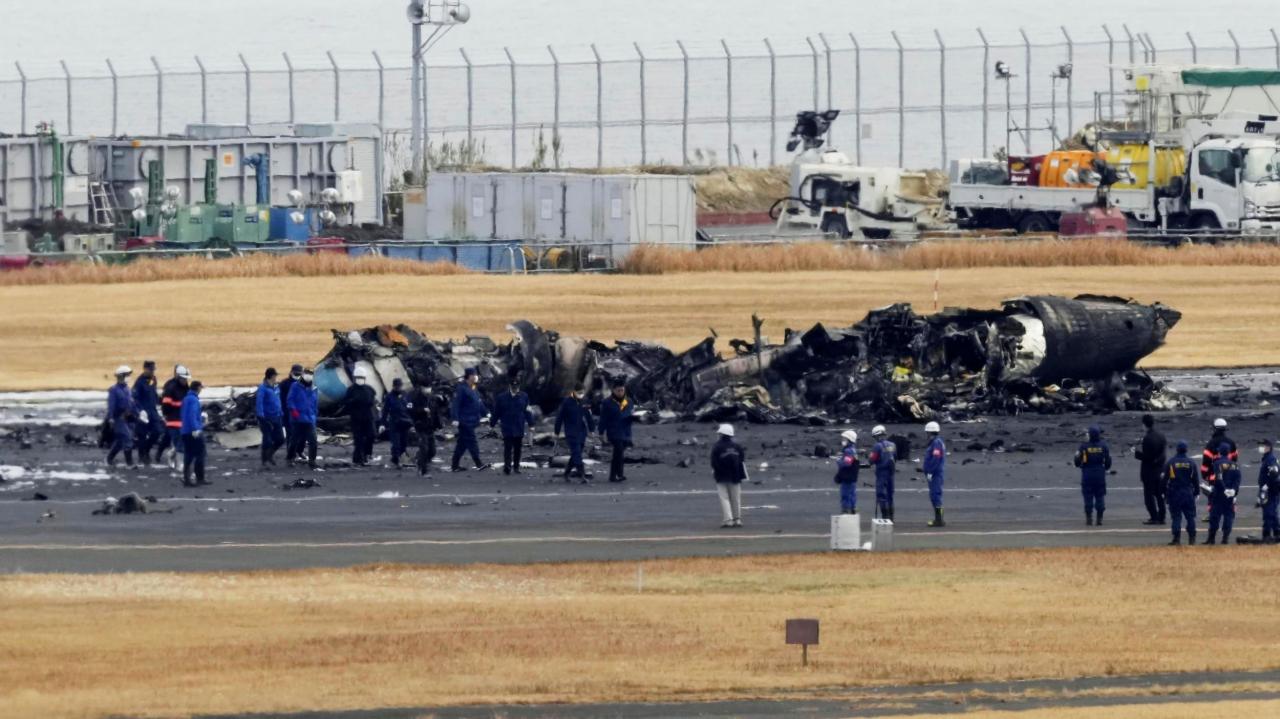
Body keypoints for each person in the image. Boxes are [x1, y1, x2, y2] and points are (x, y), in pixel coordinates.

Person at [450, 367, 489, 472]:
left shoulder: (473, 387)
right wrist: (455, 418)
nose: (477, 377)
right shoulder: (461, 388)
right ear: (469, 376)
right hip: (464, 421)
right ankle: (478, 463)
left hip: (472, 420)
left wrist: (486, 413)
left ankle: (454, 465)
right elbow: (456, 404)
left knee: (462, 444)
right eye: (475, 375)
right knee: (472, 441)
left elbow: (478, 402)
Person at [491, 380, 533, 475]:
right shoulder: (502, 397)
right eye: (513, 387)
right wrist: (492, 424)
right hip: (507, 425)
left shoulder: (524, 396)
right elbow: (497, 412)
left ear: (519, 386)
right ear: (510, 386)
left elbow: (527, 411)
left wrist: (531, 424)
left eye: (517, 386)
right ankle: (507, 467)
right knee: (508, 447)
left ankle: (516, 467)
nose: (515, 388)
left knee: (518, 448)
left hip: (519, 425)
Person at [340, 367, 379, 466]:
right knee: (359, 439)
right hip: (356, 418)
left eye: (361, 377)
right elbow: (345, 402)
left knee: (371, 436)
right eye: (358, 377)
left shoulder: (369, 389)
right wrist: (353, 401)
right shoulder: (351, 390)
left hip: (368, 417)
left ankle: (367, 454)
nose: (360, 379)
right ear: (354, 378)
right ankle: (358, 459)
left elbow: (373, 402)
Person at [1133, 414, 1168, 525]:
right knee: (1159, 495)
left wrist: (1136, 453)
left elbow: (1147, 457)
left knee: (1149, 496)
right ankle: (1162, 516)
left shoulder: (1147, 439)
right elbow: (1162, 454)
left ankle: (1154, 516)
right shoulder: (1161, 436)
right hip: (1160, 469)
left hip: (1149, 472)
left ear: (1144, 424)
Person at [1164, 441, 1201, 546]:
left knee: (1176, 517)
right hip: (1188, 493)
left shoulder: (1171, 462)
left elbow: (1164, 480)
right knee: (1190, 516)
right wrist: (1197, 492)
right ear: (1186, 450)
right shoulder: (1191, 463)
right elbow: (1195, 480)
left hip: (1174, 493)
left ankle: (1176, 538)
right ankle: (1192, 538)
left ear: (1177, 449)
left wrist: (1164, 493)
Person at [554, 387, 595, 482]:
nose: (581, 394)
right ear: (574, 392)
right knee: (576, 453)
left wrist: (592, 429)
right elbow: (559, 418)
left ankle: (566, 473)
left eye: (582, 392)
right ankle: (582, 475)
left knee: (577, 453)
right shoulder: (566, 402)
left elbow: (589, 416)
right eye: (579, 392)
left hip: (582, 432)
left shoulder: (584, 401)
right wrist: (557, 431)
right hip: (571, 432)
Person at [710, 423, 747, 528]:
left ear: (721, 434)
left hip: (721, 475)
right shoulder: (737, 446)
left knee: (724, 498)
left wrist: (716, 471)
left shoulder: (717, 446)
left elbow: (714, 462)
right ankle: (737, 519)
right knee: (736, 498)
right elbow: (742, 460)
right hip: (736, 475)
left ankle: (728, 520)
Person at [1074, 425, 1112, 526]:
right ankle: (1099, 518)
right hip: (1099, 473)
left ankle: (1089, 517)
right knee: (1100, 495)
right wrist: (1105, 468)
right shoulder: (1104, 446)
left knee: (1088, 496)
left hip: (1087, 473)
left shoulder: (1084, 446)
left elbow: (1077, 462)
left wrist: (1077, 457)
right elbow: (1108, 462)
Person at [599, 380, 635, 483]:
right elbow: (603, 419)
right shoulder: (607, 402)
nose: (620, 392)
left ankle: (613, 476)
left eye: (622, 390)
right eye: (618, 390)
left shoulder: (629, 401)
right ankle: (619, 474)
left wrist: (637, 418)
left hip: (626, 431)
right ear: (613, 390)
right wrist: (601, 433)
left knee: (618, 454)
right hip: (614, 431)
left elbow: (631, 414)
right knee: (618, 451)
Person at [1206, 443, 1242, 545]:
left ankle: (1211, 539)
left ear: (1220, 452)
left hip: (1218, 494)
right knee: (1229, 516)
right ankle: (1225, 538)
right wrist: (1233, 490)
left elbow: (1218, 478)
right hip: (1230, 495)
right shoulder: (1235, 465)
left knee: (1214, 516)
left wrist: (1224, 489)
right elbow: (1238, 480)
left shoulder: (1217, 463)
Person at [286, 368, 319, 469]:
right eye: (307, 374)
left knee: (313, 441)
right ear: (303, 375)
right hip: (297, 419)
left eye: (311, 374)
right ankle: (290, 458)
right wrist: (294, 412)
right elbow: (290, 400)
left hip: (309, 419)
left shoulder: (314, 388)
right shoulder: (295, 386)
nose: (309, 376)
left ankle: (312, 461)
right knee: (294, 440)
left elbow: (315, 404)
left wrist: (314, 415)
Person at [131, 360, 163, 465]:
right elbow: (135, 399)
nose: (153, 372)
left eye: (153, 369)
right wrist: (140, 411)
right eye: (151, 369)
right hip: (143, 413)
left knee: (158, 431)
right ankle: (142, 456)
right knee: (142, 435)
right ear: (145, 369)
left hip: (153, 411)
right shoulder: (139, 383)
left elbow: (153, 393)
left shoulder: (153, 379)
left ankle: (147, 449)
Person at [160, 365, 191, 469]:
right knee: (180, 445)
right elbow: (165, 405)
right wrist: (168, 417)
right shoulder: (170, 388)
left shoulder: (186, 388)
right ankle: (179, 465)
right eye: (183, 378)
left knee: (182, 443)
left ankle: (173, 456)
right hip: (174, 421)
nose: (185, 380)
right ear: (178, 377)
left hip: (183, 421)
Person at [106, 365, 137, 468]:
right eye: (127, 375)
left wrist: (137, 413)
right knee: (127, 438)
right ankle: (129, 464)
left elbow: (131, 403)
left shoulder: (127, 389)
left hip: (127, 418)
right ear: (121, 376)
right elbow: (111, 404)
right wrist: (110, 418)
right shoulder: (114, 390)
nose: (129, 377)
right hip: (118, 418)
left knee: (120, 441)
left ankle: (109, 459)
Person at [408, 385, 441, 476]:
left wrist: (438, 425)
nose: (428, 389)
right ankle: (423, 470)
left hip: (430, 427)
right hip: (420, 426)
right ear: (421, 388)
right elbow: (410, 410)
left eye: (429, 387)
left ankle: (419, 459)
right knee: (424, 448)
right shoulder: (415, 397)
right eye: (426, 387)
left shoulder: (432, 398)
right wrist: (422, 410)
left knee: (432, 451)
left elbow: (436, 411)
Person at [255, 367, 285, 468]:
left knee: (280, 439)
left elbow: (278, 400)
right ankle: (264, 460)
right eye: (275, 375)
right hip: (266, 418)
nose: (276, 377)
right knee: (267, 440)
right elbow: (259, 403)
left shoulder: (276, 387)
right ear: (271, 376)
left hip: (277, 417)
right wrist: (261, 416)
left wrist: (281, 412)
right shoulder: (262, 388)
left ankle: (269, 455)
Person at [180, 380, 208, 487]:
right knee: (200, 453)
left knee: (188, 455)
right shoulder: (193, 400)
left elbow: (185, 415)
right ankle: (199, 478)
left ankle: (186, 479)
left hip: (185, 431)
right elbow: (192, 416)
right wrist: (196, 429)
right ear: (197, 388)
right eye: (200, 387)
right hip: (193, 431)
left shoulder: (186, 399)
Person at [381, 378, 414, 468]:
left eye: (400, 386)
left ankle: (400, 459)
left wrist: (412, 422)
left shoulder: (405, 395)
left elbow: (410, 409)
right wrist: (382, 423)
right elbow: (385, 411)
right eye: (397, 386)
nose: (399, 388)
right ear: (394, 386)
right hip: (394, 423)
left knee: (403, 443)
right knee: (396, 444)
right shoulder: (389, 397)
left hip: (405, 423)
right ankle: (396, 459)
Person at [868, 425, 896, 521]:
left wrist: (870, 459)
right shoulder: (892, 445)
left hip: (881, 473)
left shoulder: (877, 446)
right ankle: (891, 517)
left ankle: (885, 516)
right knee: (890, 495)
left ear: (877, 436)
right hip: (891, 473)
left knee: (881, 494)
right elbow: (895, 457)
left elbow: (872, 460)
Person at [922, 421, 946, 528]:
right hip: (935, 473)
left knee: (935, 496)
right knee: (934, 496)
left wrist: (930, 471)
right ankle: (939, 519)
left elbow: (936, 458)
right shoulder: (936, 443)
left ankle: (939, 520)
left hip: (935, 474)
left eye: (927, 433)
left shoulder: (936, 443)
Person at [278, 364, 304, 457]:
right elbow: (284, 400)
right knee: (291, 434)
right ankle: (291, 454)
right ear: (291, 372)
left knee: (302, 434)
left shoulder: (304, 383)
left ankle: (299, 451)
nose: (297, 375)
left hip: (301, 413)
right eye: (296, 373)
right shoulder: (285, 384)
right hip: (288, 413)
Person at [1258, 439, 1280, 543]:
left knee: (1268, 513)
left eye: (1263, 446)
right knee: (1273, 513)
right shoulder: (1267, 458)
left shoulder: (1270, 459)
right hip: (1271, 490)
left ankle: (1266, 535)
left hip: (1270, 490)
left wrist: (1267, 485)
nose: (1261, 448)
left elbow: (1275, 472)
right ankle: (1277, 533)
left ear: (1268, 447)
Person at [834, 430, 859, 515]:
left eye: (845, 439)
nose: (843, 440)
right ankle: (853, 512)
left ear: (849, 440)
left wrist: (838, 461)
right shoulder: (853, 450)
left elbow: (847, 463)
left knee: (846, 495)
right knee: (852, 496)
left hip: (847, 478)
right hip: (852, 477)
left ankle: (846, 513)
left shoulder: (848, 451)